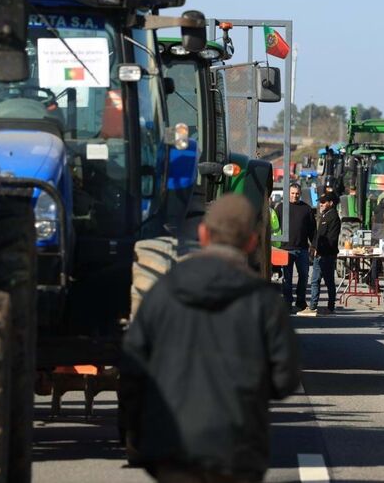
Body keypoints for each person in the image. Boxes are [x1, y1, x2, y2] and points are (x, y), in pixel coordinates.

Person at [121, 194, 301, 483]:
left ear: (203, 235)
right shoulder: (265, 302)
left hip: (171, 448)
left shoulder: (161, 293)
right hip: (237, 451)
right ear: (253, 242)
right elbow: (285, 380)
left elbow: (132, 370)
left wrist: (135, 432)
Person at [274, 183, 316, 312]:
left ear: (300, 194)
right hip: (285, 249)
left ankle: (301, 302)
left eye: (297, 193)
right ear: (288, 193)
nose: (294, 196)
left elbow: (313, 230)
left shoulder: (307, 209)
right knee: (287, 278)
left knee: (304, 276)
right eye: (292, 193)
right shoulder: (281, 208)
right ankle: (287, 302)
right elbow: (275, 228)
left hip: (302, 249)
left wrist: (314, 245)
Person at [301, 192, 341, 316]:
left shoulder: (333, 217)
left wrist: (321, 250)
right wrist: (313, 246)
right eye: (320, 202)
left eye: (324, 202)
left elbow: (331, 239)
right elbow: (318, 235)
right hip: (319, 255)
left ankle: (330, 307)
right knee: (315, 281)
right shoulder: (324, 216)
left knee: (328, 282)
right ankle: (313, 306)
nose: (321, 204)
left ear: (331, 203)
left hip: (327, 255)